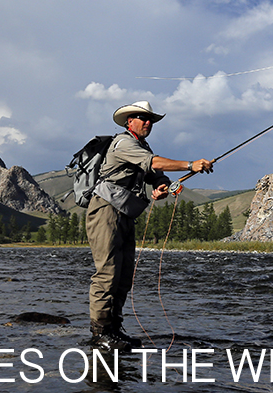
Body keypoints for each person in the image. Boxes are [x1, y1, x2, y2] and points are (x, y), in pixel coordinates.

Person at [85, 100, 214, 349]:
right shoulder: (123, 143)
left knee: (123, 277)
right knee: (107, 274)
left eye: (150, 120)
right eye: (141, 118)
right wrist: (190, 165)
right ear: (128, 122)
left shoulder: (142, 146)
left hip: (124, 213)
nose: (147, 123)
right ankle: (100, 333)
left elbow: (156, 174)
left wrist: (162, 186)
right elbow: (153, 162)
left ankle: (114, 328)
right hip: (105, 211)